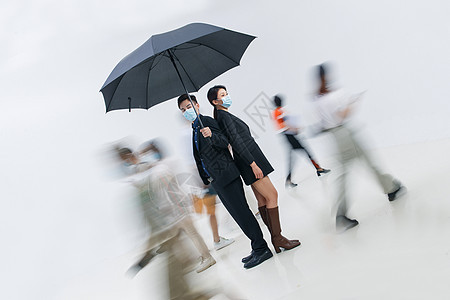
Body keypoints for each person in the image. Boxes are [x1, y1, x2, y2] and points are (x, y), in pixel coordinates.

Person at [177, 94, 273, 269]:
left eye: (188, 107)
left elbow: (224, 142)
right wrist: (205, 177)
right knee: (238, 215)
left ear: (197, 105)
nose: (186, 111)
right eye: (183, 110)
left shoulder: (207, 121)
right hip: (217, 180)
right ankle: (256, 246)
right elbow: (200, 157)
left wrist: (211, 135)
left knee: (242, 213)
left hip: (227, 175)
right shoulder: (195, 128)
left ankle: (262, 248)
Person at [207, 85, 301, 254]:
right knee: (272, 195)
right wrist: (252, 164)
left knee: (263, 200)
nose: (227, 96)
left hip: (249, 158)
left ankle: (277, 239)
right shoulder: (224, 116)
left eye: (227, 93)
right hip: (250, 159)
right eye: (222, 95)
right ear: (215, 102)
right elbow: (236, 142)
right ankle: (278, 238)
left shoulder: (224, 115)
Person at [313, 63, 406, 232]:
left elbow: (323, 123)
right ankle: (389, 189)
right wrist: (352, 103)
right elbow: (342, 115)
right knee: (360, 167)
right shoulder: (334, 95)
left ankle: (389, 189)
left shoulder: (317, 99)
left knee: (354, 168)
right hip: (345, 135)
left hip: (337, 136)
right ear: (326, 76)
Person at [116, 146, 216, 275]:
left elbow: (171, 193)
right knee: (182, 236)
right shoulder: (156, 171)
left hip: (177, 211)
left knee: (191, 234)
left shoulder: (158, 172)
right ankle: (194, 259)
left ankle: (207, 257)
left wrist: (175, 209)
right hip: (175, 211)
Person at [139, 140, 235, 251]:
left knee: (198, 222)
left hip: (184, 199)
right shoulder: (160, 168)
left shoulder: (166, 165)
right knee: (197, 223)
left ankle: (213, 243)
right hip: (182, 200)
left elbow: (181, 179)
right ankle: (212, 242)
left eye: (147, 153)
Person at [272, 94, 330, 188]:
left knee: (294, 157)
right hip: (290, 135)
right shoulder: (280, 111)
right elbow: (286, 124)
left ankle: (289, 179)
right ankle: (318, 169)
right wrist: (295, 129)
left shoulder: (275, 112)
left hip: (286, 136)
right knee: (305, 152)